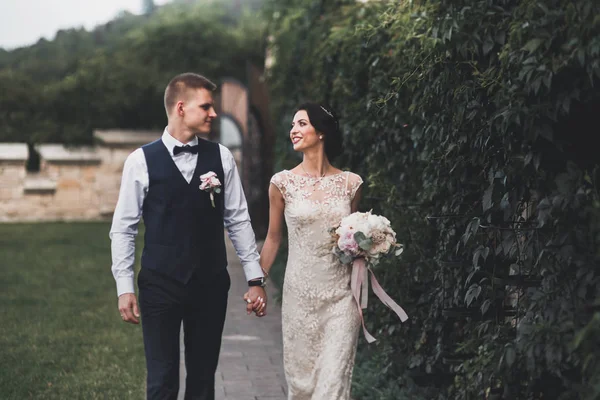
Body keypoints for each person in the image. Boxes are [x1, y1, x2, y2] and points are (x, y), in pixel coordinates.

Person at [110, 72, 267, 400]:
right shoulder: (140, 161)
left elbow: (237, 219)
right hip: (159, 284)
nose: (214, 113)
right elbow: (123, 229)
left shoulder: (221, 157)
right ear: (181, 108)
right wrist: (124, 288)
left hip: (210, 284)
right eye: (206, 106)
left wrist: (254, 277)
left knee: (202, 379)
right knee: (162, 379)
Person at [257, 102, 363, 399]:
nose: (294, 130)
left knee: (333, 384)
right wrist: (257, 282)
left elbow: (353, 237)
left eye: (302, 124)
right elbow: (273, 238)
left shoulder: (351, 184)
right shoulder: (282, 183)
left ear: (322, 132)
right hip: (300, 296)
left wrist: (371, 244)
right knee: (303, 387)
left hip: (342, 297)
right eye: (292, 125)